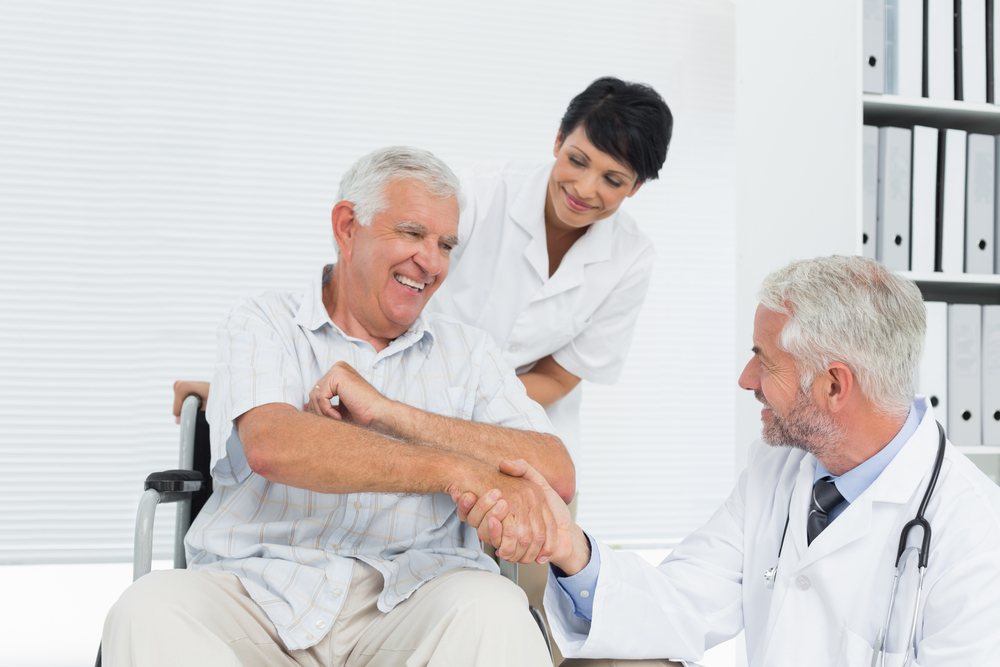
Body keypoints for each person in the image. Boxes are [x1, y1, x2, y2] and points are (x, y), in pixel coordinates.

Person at [172, 79, 674, 661]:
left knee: (521, 610)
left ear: (636, 187)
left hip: (495, 421)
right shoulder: (481, 192)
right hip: (293, 557)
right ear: (559, 140)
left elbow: (560, 385)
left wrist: (413, 410)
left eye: (613, 179)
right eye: (579, 161)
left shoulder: (626, 260)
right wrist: (253, 388)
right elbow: (370, 287)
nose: (586, 189)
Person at [103, 146, 575, 667]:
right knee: (147, 609)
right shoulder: (265, 321)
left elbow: (557, 474)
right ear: (348, 227)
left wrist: (391, 413)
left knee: (495, 609)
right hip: (259, 595)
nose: (433, 262)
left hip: (413, 599)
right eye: (413, 233)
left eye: (445, 244)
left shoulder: (471, 352)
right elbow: (274, 445)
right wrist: (456, 470)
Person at [462, 255, 1000, 666]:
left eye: (764, 361)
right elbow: (684, 603)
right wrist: (571, 548)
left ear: (834, 385)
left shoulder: (976, 532)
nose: (746, 379)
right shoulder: (775, 468)